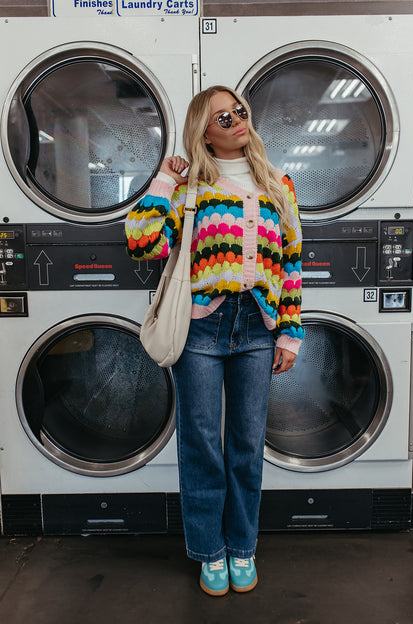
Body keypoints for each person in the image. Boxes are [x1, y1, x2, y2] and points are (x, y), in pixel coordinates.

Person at [125, 86, 304, 596]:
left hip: (257, 329)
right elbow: (142, 243)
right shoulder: (192, 188)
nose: (236, 121)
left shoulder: (278, 185)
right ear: (203, 129)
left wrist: (290, 334)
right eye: (223, 116)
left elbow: (291, 266)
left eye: (240, 111)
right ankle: (210, 551)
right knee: (201, 444)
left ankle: (242, 545)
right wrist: (164, 178)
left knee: (246, 445)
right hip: (201, 326)